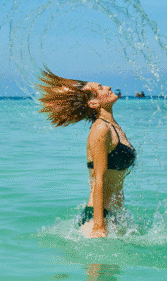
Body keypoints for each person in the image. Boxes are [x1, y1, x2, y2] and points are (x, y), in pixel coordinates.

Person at [36, 68, 136, 238]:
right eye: (101, 88)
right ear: (94, 103)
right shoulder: (100, 129)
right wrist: (98, 227)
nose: (108, 87)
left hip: (113, 216)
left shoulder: (112, 126)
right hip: (99, 219)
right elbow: (99, 178)